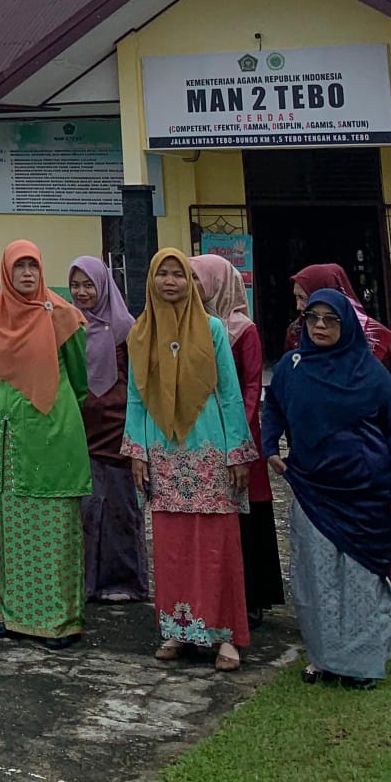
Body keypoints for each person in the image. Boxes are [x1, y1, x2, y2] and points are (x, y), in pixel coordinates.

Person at [262, 289, 391, 688]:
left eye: (330, 319)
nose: (319, 326)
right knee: (315, 577)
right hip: (313, 489)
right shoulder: (292, 368)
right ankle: (324, 657)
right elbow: (274, 406)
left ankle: (362, 665)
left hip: (366, 493)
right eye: (312, 318)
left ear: (346, 324)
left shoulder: (371, 374)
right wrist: (270, 445)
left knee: (361, 579)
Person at [122, 248, 256, 672]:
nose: (171, 282)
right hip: (162, 450)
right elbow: (136, 397)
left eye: (178, 274)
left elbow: (230, 392)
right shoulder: (140, 333)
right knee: (172, 545)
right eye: (162, 274)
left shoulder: (213, 329)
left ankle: (226, 635)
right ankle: (179, 629)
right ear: (151, 280)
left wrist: (237, 452)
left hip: (209, 447)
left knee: (217, 544)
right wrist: (136, 450)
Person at [285, 262, 391, 629]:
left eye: (304, 298)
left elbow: (390, 415)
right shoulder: (297, 336)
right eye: (299, 300)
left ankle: (377, 622)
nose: (300, 308)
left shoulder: (375, 341)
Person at [0, 240, 90, 651]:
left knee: (55, 524)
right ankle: (13, 616)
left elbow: (79, 376)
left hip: (52, 425)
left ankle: (60, 621)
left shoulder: (61, 314)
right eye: (19, 266)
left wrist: (57, 407)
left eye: (33, 266)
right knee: (11, 524)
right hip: (8, 428)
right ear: (7, 271)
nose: (27, 273)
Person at [190, 253, 284, 626]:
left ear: (216, 282)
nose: (191, 286)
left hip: (238, 436)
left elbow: (251, 386)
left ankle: (252, 596)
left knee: (247, 511)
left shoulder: (244, 329)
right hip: (202, 434)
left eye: (196, 279)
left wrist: (234, 432)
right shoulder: (194, 326)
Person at [68, 256, 147, 604]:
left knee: (120, 507)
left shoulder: (126, 327)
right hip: (81, 427)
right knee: (86, 508)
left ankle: (124, 581)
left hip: (118, 426)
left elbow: (139, 381)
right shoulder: (68, 325)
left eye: (89, 285)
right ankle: (88, 581)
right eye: (75, 285)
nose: (82, 292)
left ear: (103, 285)